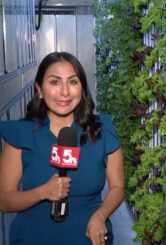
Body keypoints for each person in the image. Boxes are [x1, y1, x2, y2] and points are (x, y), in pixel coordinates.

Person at [0, 52, 125, 245]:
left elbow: (117, 187)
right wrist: (43, 192)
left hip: (88, 238)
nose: (65, 92)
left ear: (82, 88)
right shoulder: (20, 135)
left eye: (73, 82)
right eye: (55, 82)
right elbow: (4, 200)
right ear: (39, 89)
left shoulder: (102, 131)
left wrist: (100, 216)